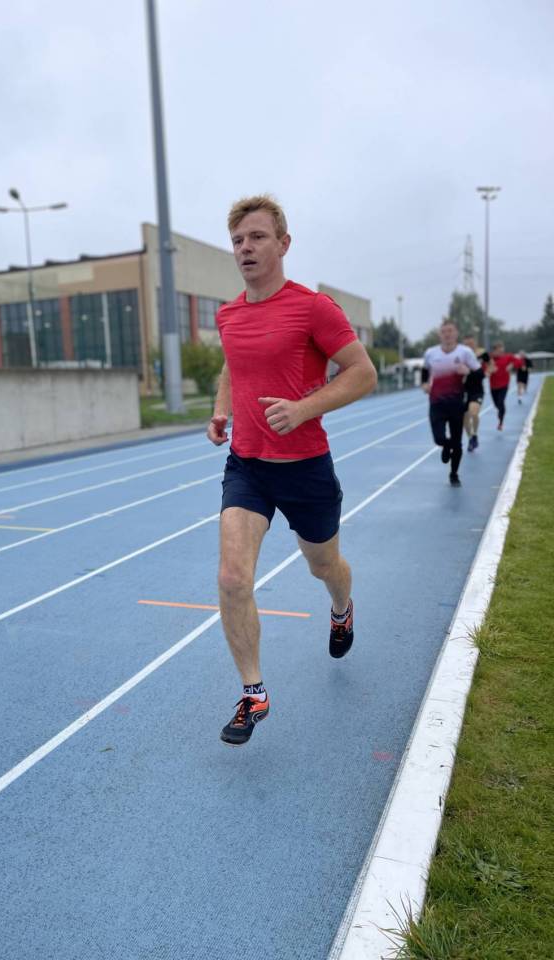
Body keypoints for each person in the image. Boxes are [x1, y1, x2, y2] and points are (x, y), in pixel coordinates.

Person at [207, 195, 377, 746]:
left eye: (257, 237)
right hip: (248, 467)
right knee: (232, 577)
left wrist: (303, 409)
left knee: (323, 565)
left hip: (305, 468)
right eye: (238, 240)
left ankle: (341, 609)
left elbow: (363, 373)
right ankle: (253, 693)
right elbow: (233, 366)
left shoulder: (313, 308)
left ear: (283, 244)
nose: (246, 248)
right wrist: (221, 410)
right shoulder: (229, 314)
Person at [422, 321, 480, 486]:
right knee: (439, 438)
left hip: (456, 403)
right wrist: (424, 383)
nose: (447, 334)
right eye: (444, 331)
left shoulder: (465, 352)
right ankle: (446, 446)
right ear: (439, 334)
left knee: (457, 443)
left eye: (450, 331)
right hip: (436, 402)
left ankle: (454, 474)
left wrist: (468, 372)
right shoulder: (431, 353)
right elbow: (425, 370)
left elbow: (479, 374)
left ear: (456, 333)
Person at [461, 335, 489, 452]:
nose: (469, 346)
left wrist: (487, 372)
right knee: (464, 419)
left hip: (477, 390)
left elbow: (491, 364)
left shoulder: (482, 354)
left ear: (475, 343)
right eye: (466, 344)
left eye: (471, 344)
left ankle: (475, 434)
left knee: (473, 412)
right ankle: (471, 438)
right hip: (463, 390)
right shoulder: (461, 356)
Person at [488, 341, 517, 430]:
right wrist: (489, 369)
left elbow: (519, 361)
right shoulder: (490, 358)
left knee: (501, 402)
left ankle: (500, 423)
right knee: (497, 405)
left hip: (504, 385)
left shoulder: (508, 357)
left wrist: (512, 365)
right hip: (493, 386)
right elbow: (482, 366)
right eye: (498, 350)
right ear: (494, 351)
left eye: (502, 350)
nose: (501, 352)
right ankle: (500, 412)